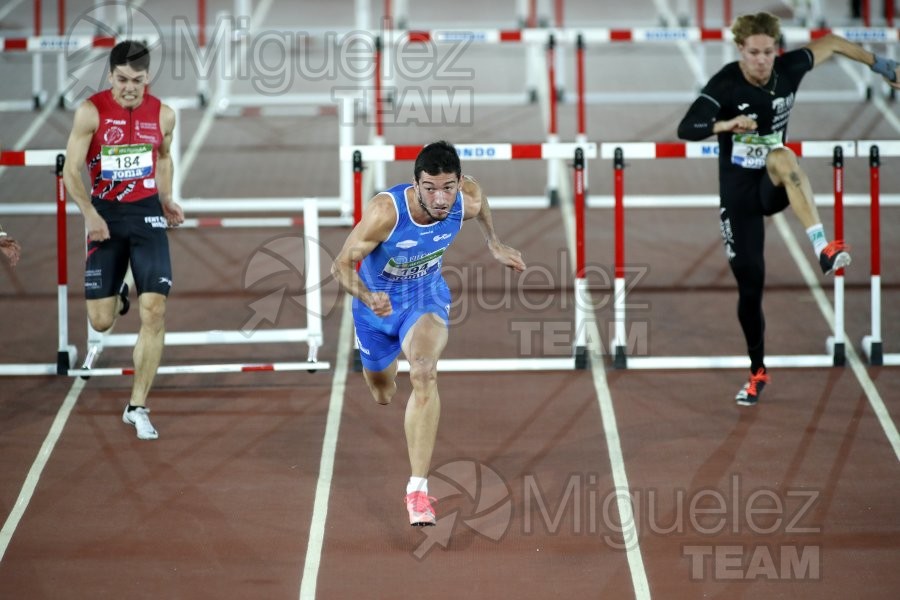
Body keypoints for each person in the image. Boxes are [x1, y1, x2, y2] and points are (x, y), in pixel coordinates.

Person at [678, 12, 900, 406]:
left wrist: (882, 66)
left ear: (775, 50)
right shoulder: (726, 83)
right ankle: (757, 370)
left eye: (767, 52)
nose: (761, 60)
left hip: (771, 184)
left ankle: (822, 248)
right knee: (751, 285)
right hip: (738, 196)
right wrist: (725, 125)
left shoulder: (788, 70)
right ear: (740, 51)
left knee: (783, 157)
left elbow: (831, 41)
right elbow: (687, 128)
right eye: (753, 53)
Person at [331, 141, 526, 526]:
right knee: (383, 393)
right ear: (416, 184)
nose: (440, 199)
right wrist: (369, 297)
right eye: (431, 188)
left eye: (448, 187)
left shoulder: (463, 199)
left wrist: (494, 243)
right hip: (375, 307)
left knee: (423, 371)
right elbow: (340, 265)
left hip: (424, 297)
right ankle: (371, 348)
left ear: (457, 183)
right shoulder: (386, 213)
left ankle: (417, 490)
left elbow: (479, 199)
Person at [63, 40, 184, 439]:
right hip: (107, 217)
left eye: (137, 80)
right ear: (110, 75)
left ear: (148, 77)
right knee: (100, 321)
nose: (129, 87)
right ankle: (118, 296)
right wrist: (91, 214)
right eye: (121, 80)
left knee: (155, 311)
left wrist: (166, 197)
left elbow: (163, 157)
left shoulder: (163, 114)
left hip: (147, 215)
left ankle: (137, 406)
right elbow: (71, 170)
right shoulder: (91, 112)